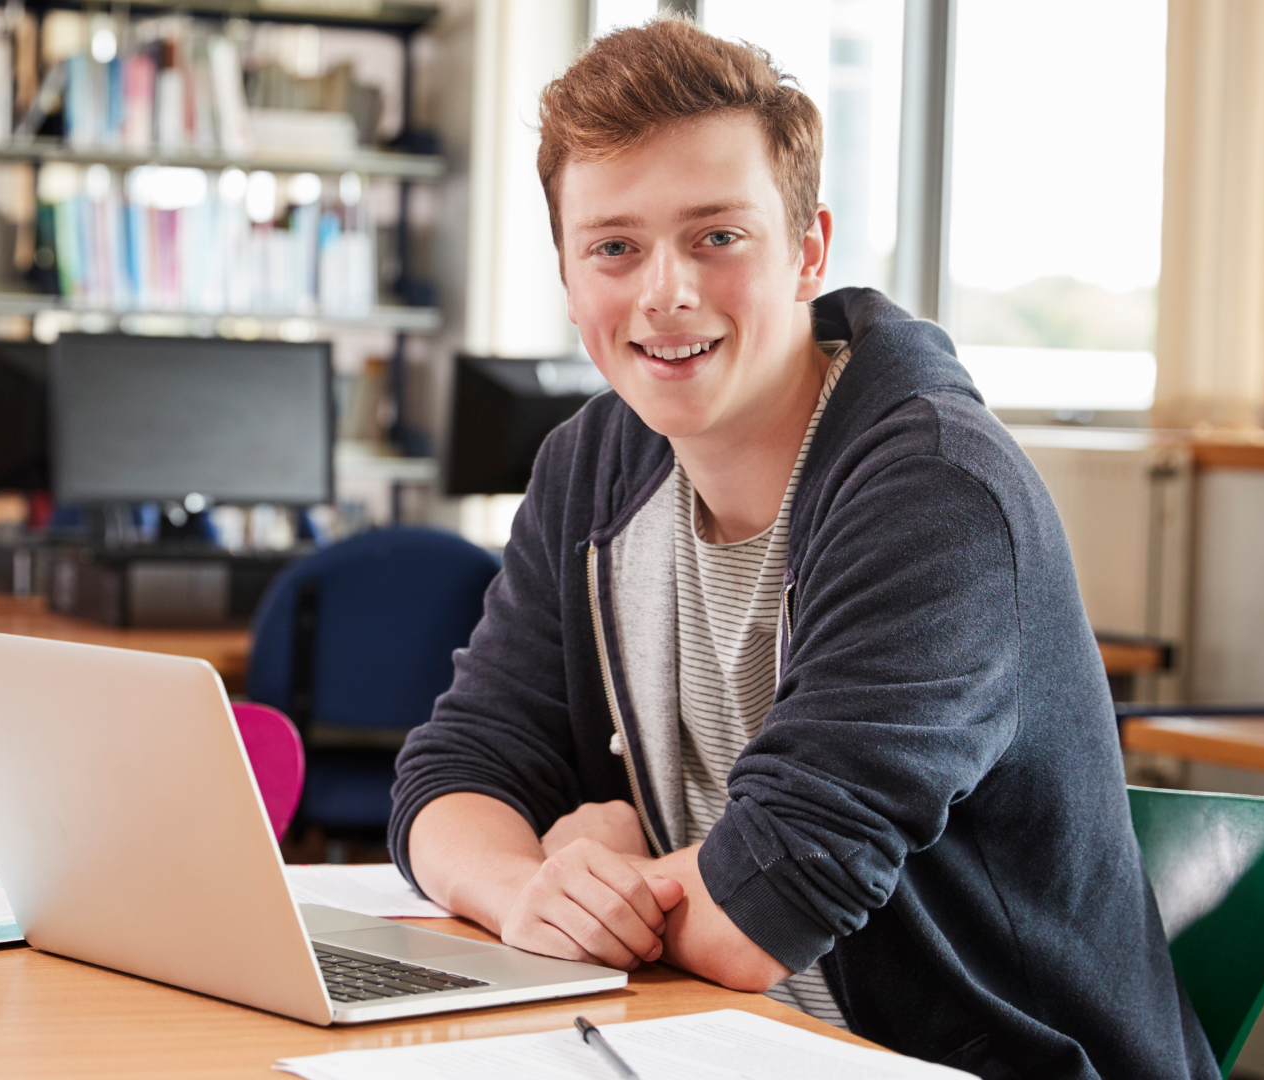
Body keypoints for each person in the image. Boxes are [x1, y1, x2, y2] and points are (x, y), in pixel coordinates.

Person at [389, 16, 1216, 1079]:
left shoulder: (934, 493)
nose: (665, 292)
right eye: (614, 246)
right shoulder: (589, 465)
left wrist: (608, 868)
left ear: (808, 250)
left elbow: (760, 907)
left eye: (716, 236)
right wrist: (533, 886)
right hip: (716, 1044)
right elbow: (456, 773)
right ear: (568, 270)